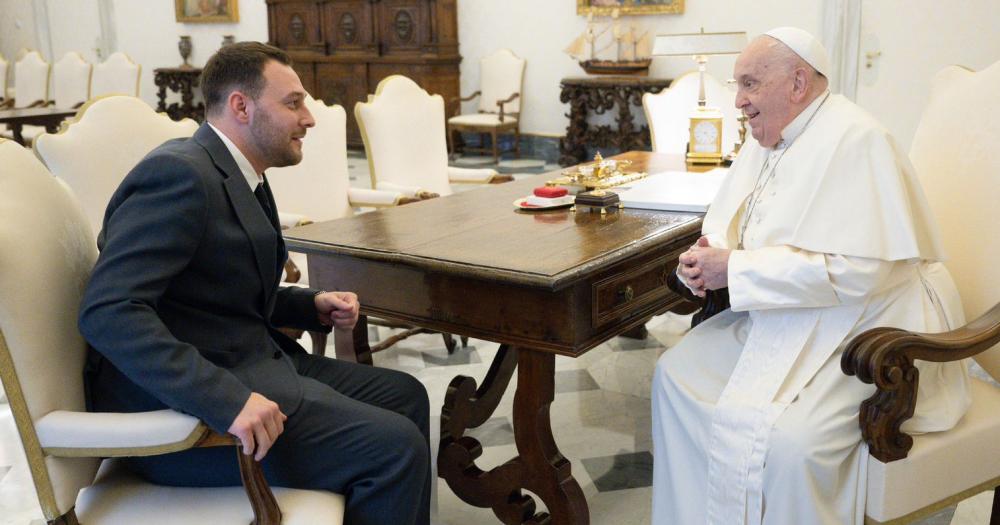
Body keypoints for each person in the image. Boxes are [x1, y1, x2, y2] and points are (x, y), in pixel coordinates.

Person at [79, 42, 430, 525]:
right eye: (293, 103)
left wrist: (309, 306)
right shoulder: (179, 175)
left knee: (405, 394)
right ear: (241, 106)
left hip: (249, 360)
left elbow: (209, 293)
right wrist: (226, 400)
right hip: (182, 415)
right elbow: (109, 309)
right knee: (394, 449)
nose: (308, 118)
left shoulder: (240, 173)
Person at [651, 27, 971, 524]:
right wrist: (707, 260)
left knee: (791, 444)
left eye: (749, 84)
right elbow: (733, 222)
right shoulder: (770, 135)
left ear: (797, 83)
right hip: (790, 313)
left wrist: (734, 269)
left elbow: (861, 270)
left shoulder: (859, 139)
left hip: (867, 325)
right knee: (674, 376)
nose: (738, 101)